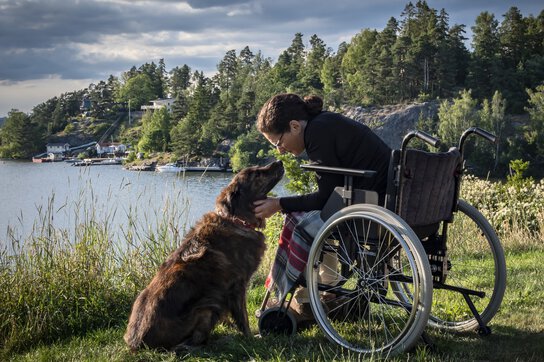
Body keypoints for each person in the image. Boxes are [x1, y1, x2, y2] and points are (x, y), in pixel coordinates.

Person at [254, 93, 392, 323]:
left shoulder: (318, 133)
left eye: (278, 143)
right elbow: (330, 195)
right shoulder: (326, 123)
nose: (280, 150)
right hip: (379, 199)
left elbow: (323, 198)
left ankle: (300, 295)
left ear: (295, 126)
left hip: (369, 208)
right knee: (309, 218)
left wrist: (279, 204)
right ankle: (325, 292)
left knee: (300, 221)